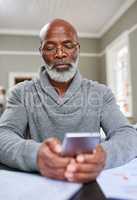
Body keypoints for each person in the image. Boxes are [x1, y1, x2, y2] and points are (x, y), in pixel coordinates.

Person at [0, 19, 137, 183]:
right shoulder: (21, 93)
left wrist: (104, 155)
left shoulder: (101, 93)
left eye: (68, 45)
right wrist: (34, 155)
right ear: (41, 52)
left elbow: (127, 134)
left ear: (78, 49)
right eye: (50, 47)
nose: (60, 54)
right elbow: (3, 135)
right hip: (40, 184)